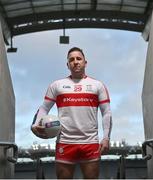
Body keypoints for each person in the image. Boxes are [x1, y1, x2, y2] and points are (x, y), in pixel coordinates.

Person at [31, 47, 112, 179]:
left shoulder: (98, 85)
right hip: (65, 142)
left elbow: (106, 112)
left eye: (79, 58)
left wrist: (106, 137)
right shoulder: (56, 85)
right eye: (71, 59)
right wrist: (35, 124)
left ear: (85, 62)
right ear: (67, 64)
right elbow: (44, 108)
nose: (75, 62)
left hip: (90, 142)